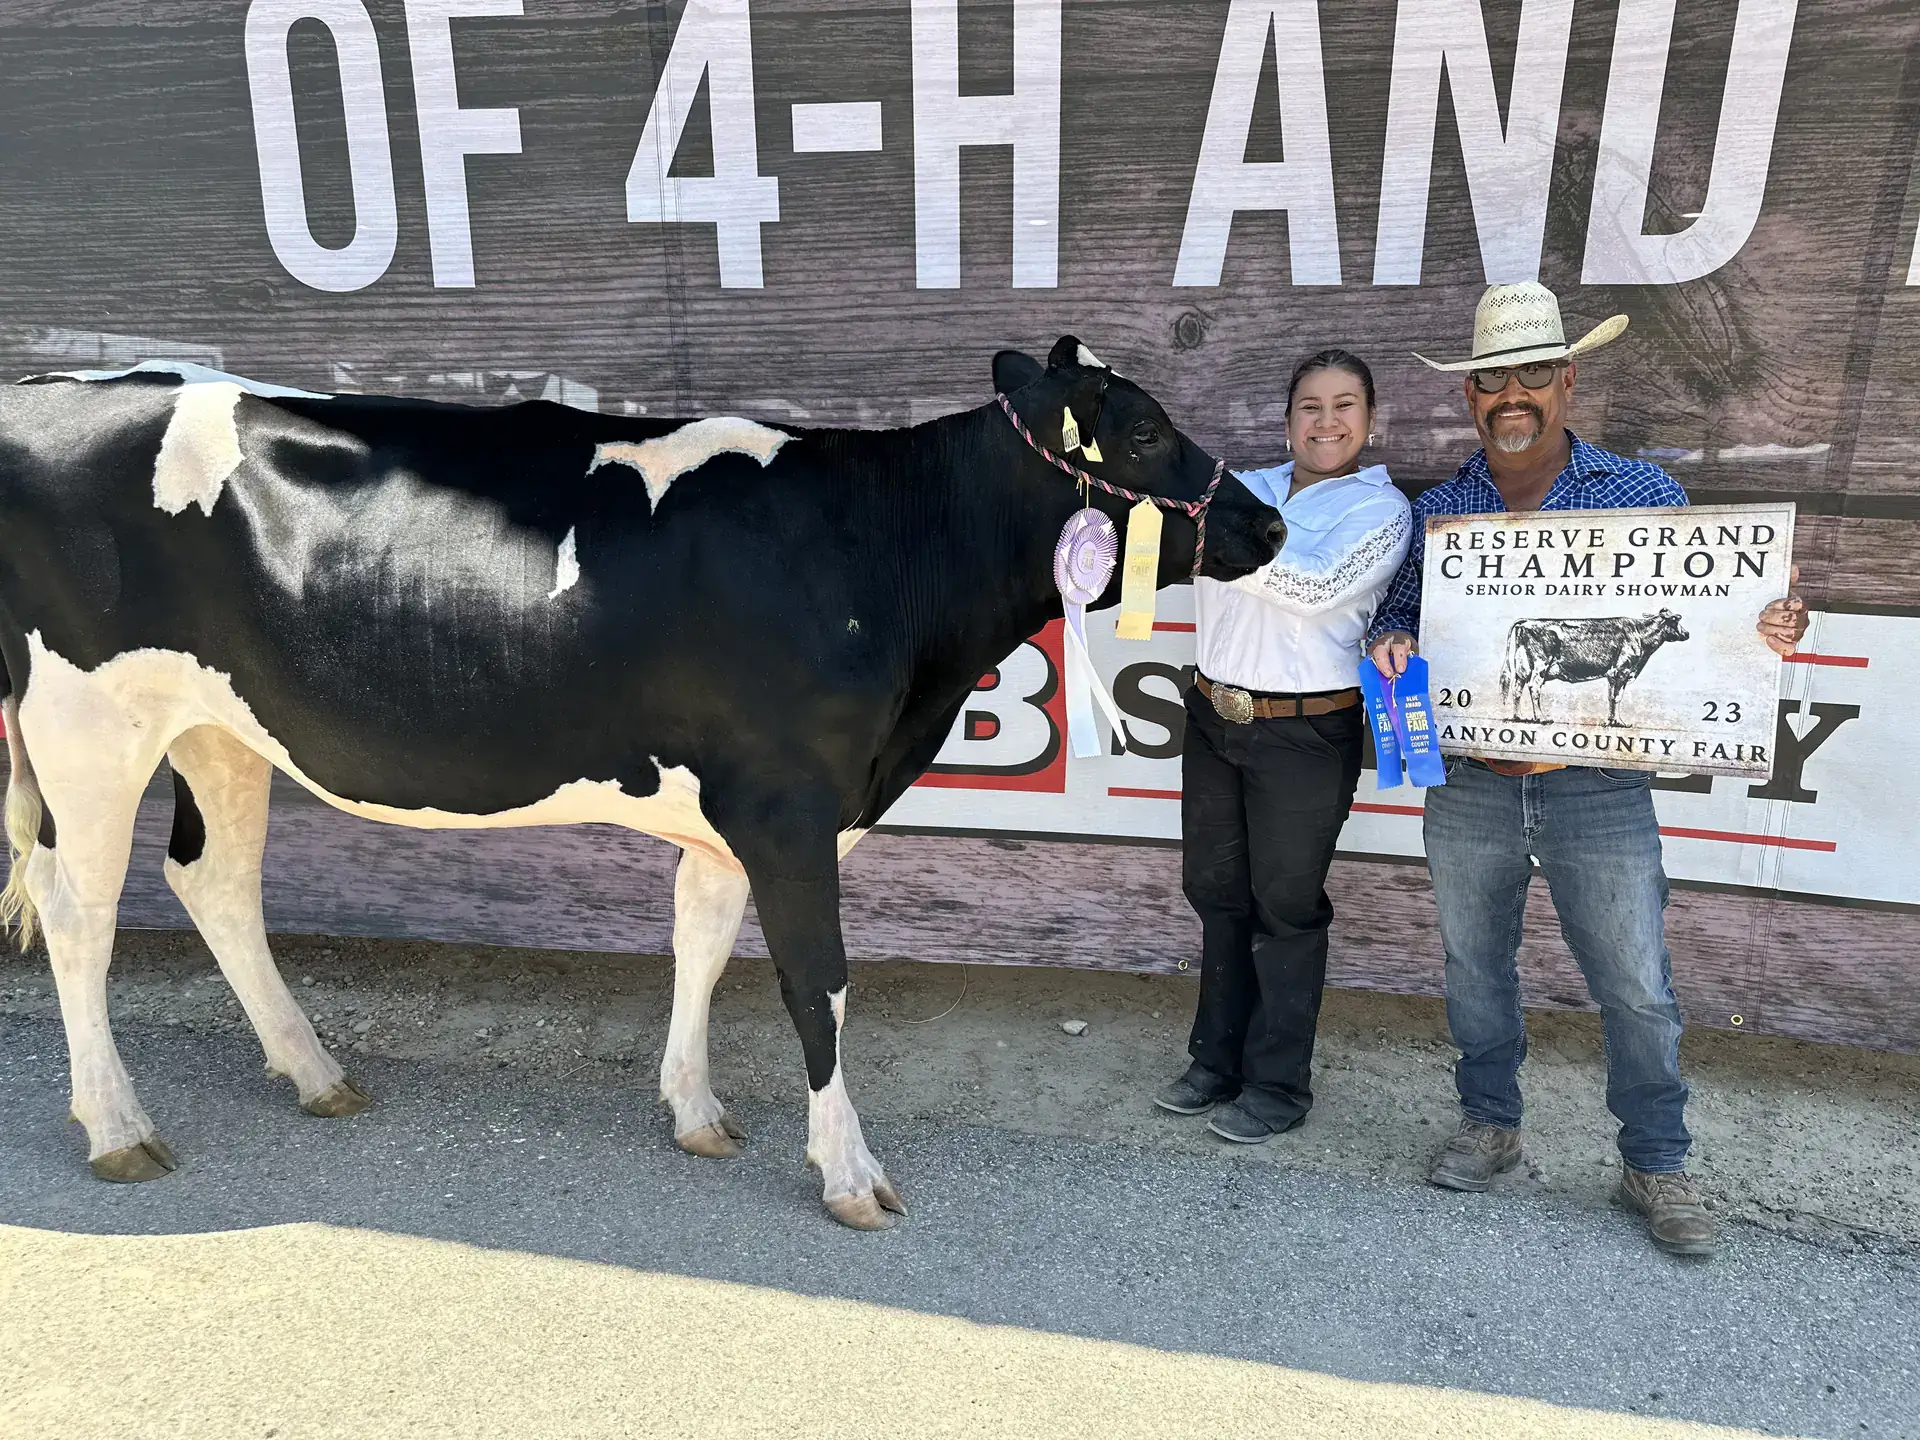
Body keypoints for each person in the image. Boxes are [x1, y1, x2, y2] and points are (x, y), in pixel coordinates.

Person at [1367, 282, 1809, 1256]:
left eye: (1532, 373)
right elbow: (1398, 615)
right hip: (1473, 782)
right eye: (1493, 380)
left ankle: (1656, 1160)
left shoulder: (1642, 496)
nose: (1511, 394)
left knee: (1636, 984)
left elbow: (1710, 626)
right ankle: (1491, 1125)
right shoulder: (1441, 512)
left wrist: (1760, 628)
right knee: (1475, 968)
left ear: (1566, 381)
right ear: (1471, 396)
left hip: (1598, 786)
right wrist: (1393, 644)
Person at [1154, 350, 1412, 1143]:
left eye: (1344, 406)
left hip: (1305, 730)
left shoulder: (1384, 511)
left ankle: (1278, 1083)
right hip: (1213, 715)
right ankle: (1215, 1061)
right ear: (1286, 417)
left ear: (1370, 420)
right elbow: (1166, 543)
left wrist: (1215, 537)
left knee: (1286, 908)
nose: (1326, 421)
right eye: (1309, 405)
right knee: (1217, 892)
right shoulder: (1243, 491)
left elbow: (1310, 588)